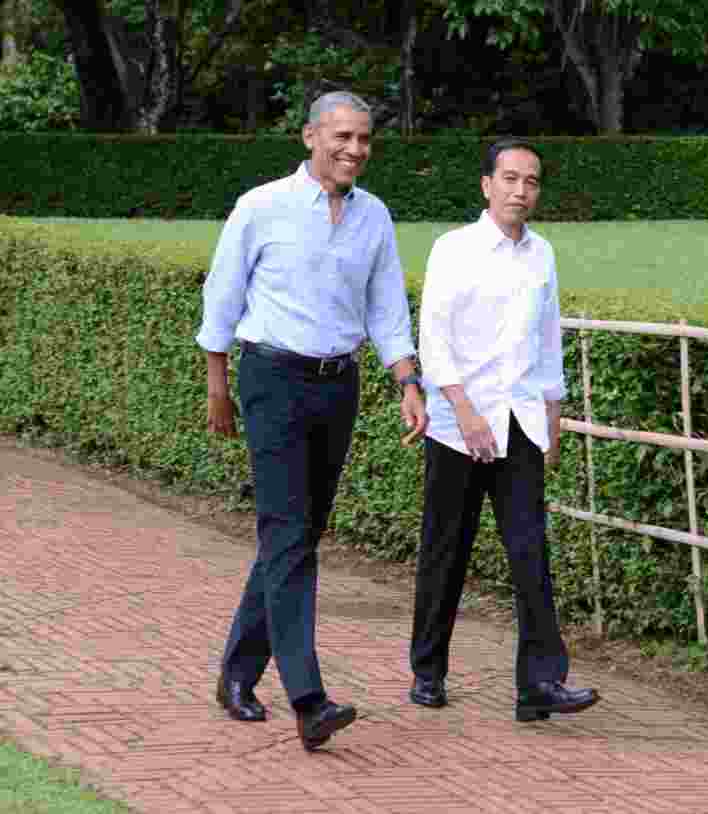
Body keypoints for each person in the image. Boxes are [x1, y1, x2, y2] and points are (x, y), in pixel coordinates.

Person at [196, 90, 427, 751]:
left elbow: (386, 310)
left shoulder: (373, 217)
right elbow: (222, 299)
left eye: (365, 139)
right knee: (289, 535)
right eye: (343, 137)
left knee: (293, 537)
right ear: (309, 137)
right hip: (271, 380)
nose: (355, 149)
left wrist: (408, 381)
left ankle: (238, 673)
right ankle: (308, 699)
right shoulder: (261, 207)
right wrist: (219, 388)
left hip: (338, 386)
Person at [409, 138, 599, 722]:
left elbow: (548, 343)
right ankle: (428, 671)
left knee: (529, 550)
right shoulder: (454, 250)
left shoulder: (542, 254)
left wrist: (554, 418)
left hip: (519, 423)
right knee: (447, 549)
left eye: (532, 181)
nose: (521, 190)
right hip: (457, 426)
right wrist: (464, 412)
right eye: (511, 178)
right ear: (487, 184)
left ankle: (539, 684)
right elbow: (434, 340)